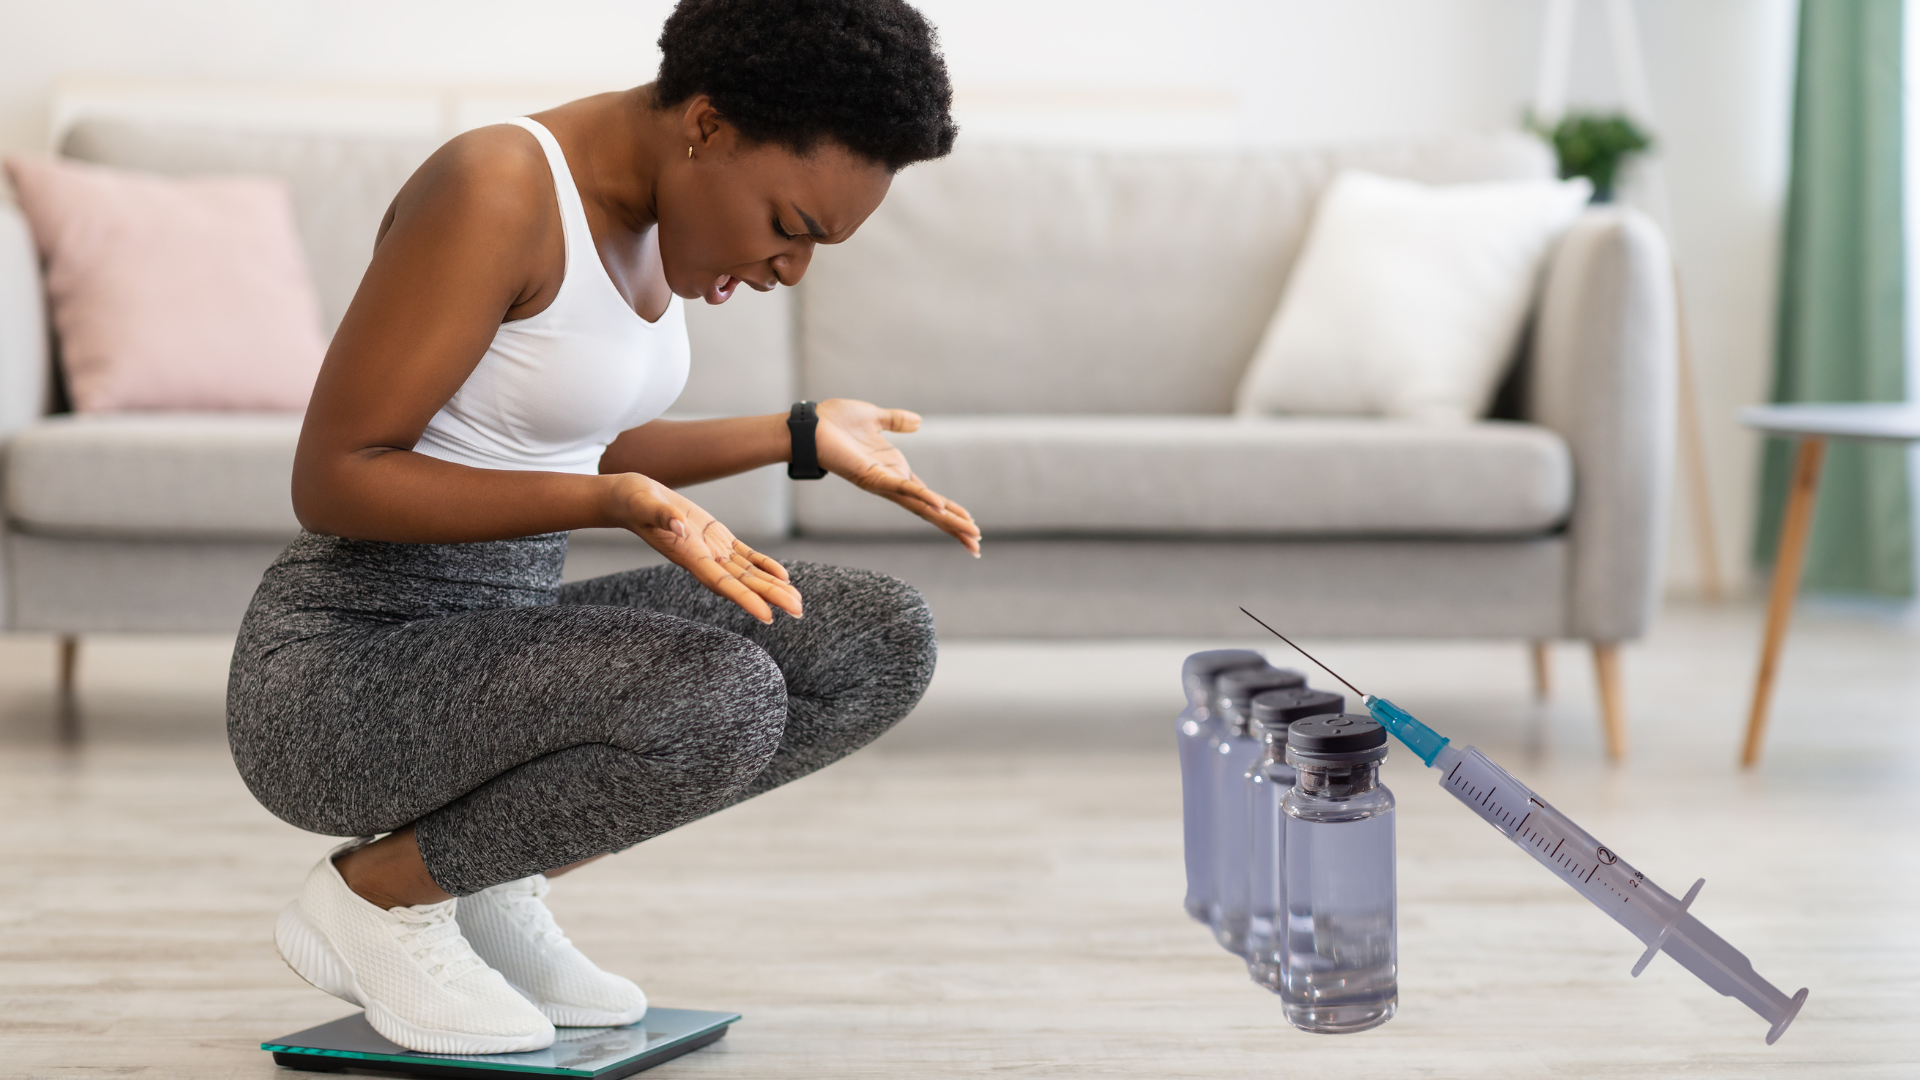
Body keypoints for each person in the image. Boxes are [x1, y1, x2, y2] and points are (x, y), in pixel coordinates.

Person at [226, 0, 979, 1055]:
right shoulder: (497, 187)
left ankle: (485, 874)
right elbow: (337, 478)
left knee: (872, 638)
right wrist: (605, 505)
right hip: (345, 674)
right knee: (717, 692)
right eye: (790, 227)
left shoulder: (655, 215)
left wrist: (802, 432)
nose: (789, 271)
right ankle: (377, 899)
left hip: (497, 661)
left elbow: (584, 438)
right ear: (707, 127)